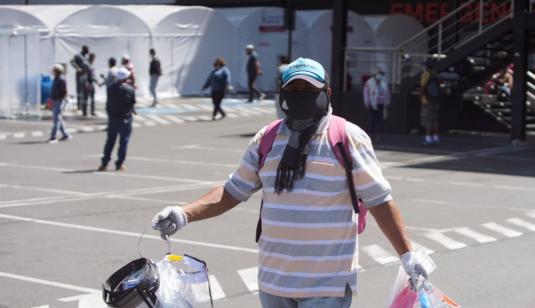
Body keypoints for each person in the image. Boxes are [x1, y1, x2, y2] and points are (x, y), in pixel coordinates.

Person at [152, 58, 433, 307]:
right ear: (283, 95)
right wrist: (183, 213)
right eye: (294, 91)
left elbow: (379, 199)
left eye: (309, 91)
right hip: (273, 283)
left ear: (327, 92)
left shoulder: (347, 137)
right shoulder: (267, 138)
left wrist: (407, 255)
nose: (301, 97)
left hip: (327, 286)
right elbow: (231, 192)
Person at [98, 68, 136, 172]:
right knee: (123, 142)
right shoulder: (129, 89)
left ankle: (104, 163)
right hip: (125, 118)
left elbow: (108, 104)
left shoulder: (110, 88)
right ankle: (119, 163)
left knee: (110, 141)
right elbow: (132, 103)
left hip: (113, 118)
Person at [363, 67, 390, 139]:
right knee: (372, 119)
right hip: (372, 103)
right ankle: (371, 134)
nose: (379, 75)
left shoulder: (383, 83)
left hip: (381, 104)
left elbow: (387, 93)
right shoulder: (369, 82)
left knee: (379, 120)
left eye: (380, 74)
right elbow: (366, 93)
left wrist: (387, 101)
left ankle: (378, 134)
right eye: (378, 74)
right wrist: (367, 102)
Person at [419, 59, 441, 145]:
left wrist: (422, 97)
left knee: (428, 120)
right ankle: (435, 137)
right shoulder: (435, 74)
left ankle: (428, 138)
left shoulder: (426, 74)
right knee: (435, 120)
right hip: (436, 99)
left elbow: (423, 86)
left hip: (427, 99)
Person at [48, 64, 71, 144]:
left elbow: (64, 91)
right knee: (58, 118)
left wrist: (63, 99)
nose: (53, 71)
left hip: (58, 100)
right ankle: (66, 134)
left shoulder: (61, 80)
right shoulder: (56, 79)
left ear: (57, 71)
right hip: (55, 100)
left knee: (56, 119)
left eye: (54, 70)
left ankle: (53, 136)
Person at [70, 45, 90, 112]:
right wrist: (77, 68)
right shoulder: (78, 55)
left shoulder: (87, 56)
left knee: (85, 90)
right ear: (83, 49)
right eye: (87, 50)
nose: (88, 51)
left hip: (85, 74)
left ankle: (84, 105)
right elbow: (72, 62)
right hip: (79, 74)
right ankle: (79, 105)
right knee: (79, 90)